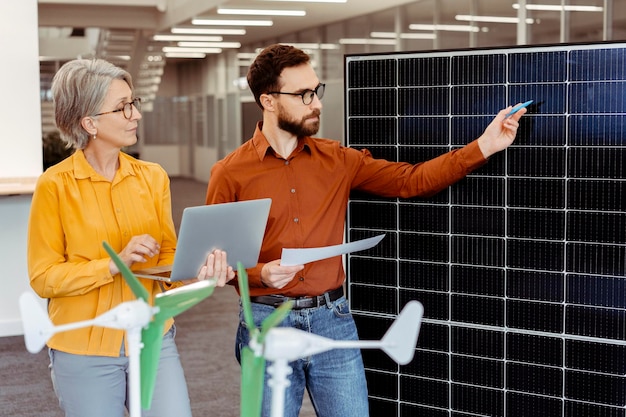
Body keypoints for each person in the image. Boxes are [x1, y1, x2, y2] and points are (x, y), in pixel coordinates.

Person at [205, 43, 527, 417]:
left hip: (332, 318)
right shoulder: (230, 173)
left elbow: (412, 180)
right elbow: (217, 264)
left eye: (316, 90)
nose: (317, 103)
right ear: (269, 101)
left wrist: (485, 145)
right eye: (304, 94)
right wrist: (261, 273)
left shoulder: (338, 159)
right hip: (265, 323)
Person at [27, 58, 234, 417]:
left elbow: (167, 259)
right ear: (89, 122)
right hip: (84, 347)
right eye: (123, 108)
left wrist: (198, 272)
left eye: (133, 103)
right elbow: (43, 277)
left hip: (153, 336)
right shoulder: (55, 186)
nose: (135, 114)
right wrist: (112, 264)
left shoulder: (153, 177)